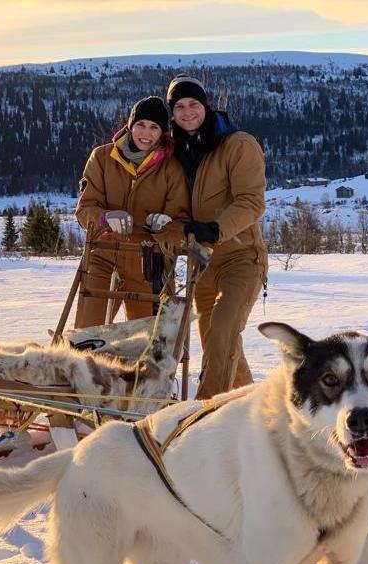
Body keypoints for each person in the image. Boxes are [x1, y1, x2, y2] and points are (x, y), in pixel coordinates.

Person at [165, 75, 268, 399]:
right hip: (202, 264)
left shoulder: (238, 144)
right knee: (217, 342)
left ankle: (203, 414)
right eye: (179, 106)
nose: (187, 112)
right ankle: (254, 412)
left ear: (205, 106)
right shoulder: (175, 151)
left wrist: (217, 229)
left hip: (241, 257)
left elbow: (251, 201)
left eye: (193, 104)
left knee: (223, 331)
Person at [74, 96, 190, 328]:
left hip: (149, 259)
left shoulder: (172, 168)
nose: (145, 133)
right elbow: (85, 209)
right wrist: (104, 218)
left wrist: (166, 225)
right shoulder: (103, 157)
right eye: (140, 125)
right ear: (130, 125)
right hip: (104, 253)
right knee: (89, 332)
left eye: (154, 127)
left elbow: (181, 221)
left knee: (146, 337)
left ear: (163, 132)